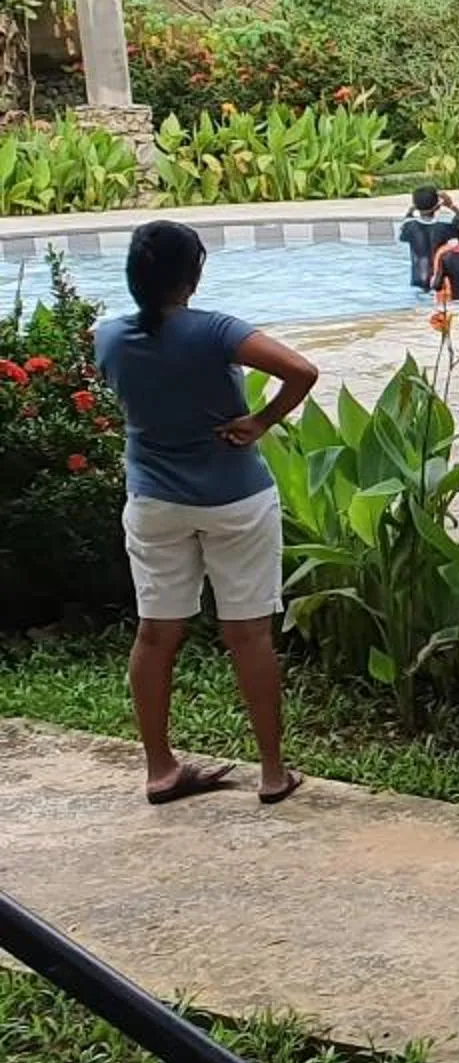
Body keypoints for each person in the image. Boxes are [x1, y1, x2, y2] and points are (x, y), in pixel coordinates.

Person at [92, 220, 320, 806]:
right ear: (192, 274)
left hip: (154, 503)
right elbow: (301, 372)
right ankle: (273, 773)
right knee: (248, 636)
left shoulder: (108, 337)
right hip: (235, 500)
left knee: (155, 634)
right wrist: (261, 422)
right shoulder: (216, 330)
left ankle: (161, 769)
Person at [397, 186, 457, 290]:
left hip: (417, 281)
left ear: (415, 206)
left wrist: (410, 211)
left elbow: (403, 232)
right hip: (437, 282)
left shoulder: (409, 227)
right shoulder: (445, 227)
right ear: (438, 206)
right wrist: (451, 205)